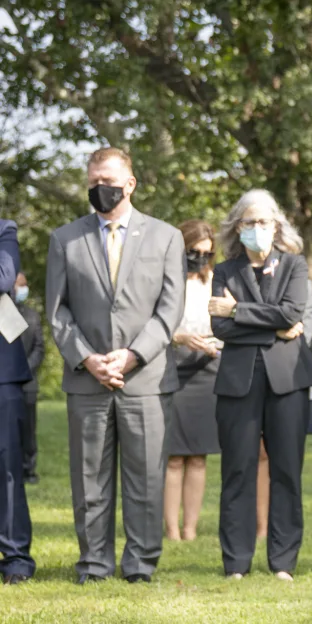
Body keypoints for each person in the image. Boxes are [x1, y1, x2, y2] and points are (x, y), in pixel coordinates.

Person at [46, 147, 184, 584]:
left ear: (130, 183)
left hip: (145, 379)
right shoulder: (64, 239)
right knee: (89, 479)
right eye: (92, 181)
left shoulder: (165, 237)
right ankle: (94, 564)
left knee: (145, 478)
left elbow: (170, 308)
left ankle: (140, 565)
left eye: (106, 179)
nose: (98, 188)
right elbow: (57, 312)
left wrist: (132, 355)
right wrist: (87, 358)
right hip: (87, 380)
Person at [209, 189, 312, 580]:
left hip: (288, 380)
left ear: (277, 226)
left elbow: (292, 311)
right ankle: (236, 563)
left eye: (264, 221)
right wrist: (275, 327)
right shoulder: (224, 271)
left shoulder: (294, 266)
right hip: (239, 381)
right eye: (249, 222)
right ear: (236, 227)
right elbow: (218, 327)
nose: (257, 228)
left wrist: (239, 309)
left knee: (287, 471)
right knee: (237, 471)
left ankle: (283, 562)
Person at [164, 220, 222, 541]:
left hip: (206, 370)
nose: (200, 257)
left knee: (198, 456)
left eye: (206, 252)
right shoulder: (166, 280)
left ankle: (190, 529)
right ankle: (171, 529)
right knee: (174, 457)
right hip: (174, 367)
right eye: (193, 251)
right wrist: (180, 337)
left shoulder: (214, 281)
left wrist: (213, 341)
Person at [0, 219, 35, 584]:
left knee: (8, 467)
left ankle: (15, 558)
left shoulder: (3, 229)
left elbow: (4, 277)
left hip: (2, 374)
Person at [12, 274, 43, 484]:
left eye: (23, 285)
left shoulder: (32, 317)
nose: (21, 289)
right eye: (18, 285)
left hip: (28, 383)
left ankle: (28, 470)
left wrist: (24, 369)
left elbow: (39, 348)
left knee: (28, 429)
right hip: (6, 382)